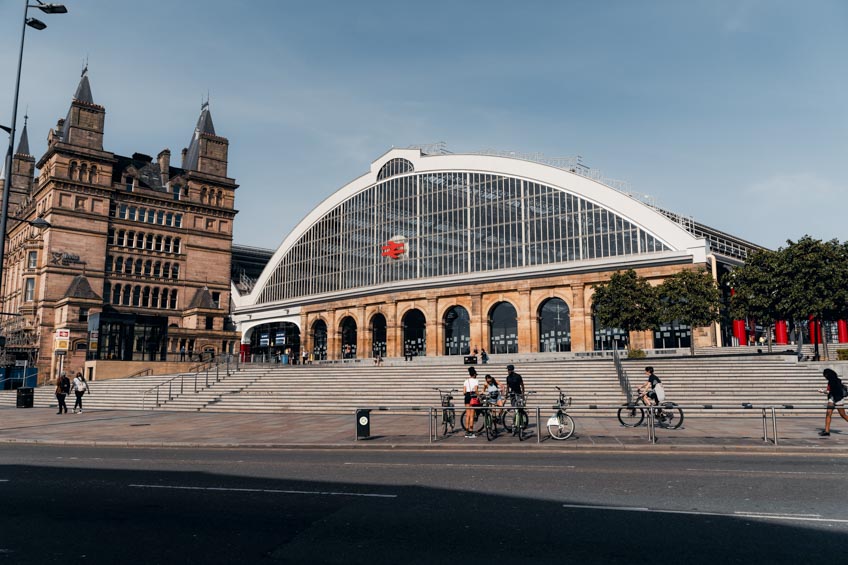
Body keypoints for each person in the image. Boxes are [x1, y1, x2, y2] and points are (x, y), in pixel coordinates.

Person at [817, 368, 848, 437]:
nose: (825, 377)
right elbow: (830, 391)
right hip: (832, 398)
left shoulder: (835, 382)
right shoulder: (831, 381)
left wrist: (822, 391)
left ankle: (827, 430)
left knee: (843, 415)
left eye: (825, 376)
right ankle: (827, 431)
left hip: (838, 399)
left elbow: (830, 391)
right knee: (828, 413)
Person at [463, 367, 480, 438]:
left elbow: (464, 391)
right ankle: (471, 431)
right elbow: (476, 390)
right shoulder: (476, 381)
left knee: (467, 415)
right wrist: (479, 395)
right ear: (474, 374)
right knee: (472, 415)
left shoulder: (466, 381)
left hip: (467, 396)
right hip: (473, 396)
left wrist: (467, 394)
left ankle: (466, 431)